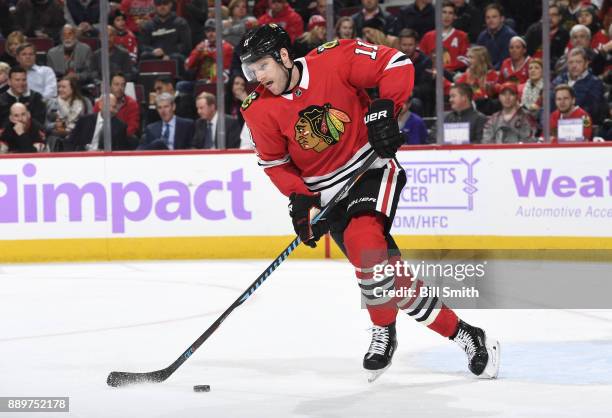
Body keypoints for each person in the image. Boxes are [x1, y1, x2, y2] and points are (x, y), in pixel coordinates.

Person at [239, 24, 499, 381]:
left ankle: (382, 329)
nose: (257, 77)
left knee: (365, 244)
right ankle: (467, 334)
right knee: (391, 279)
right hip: (327, 196)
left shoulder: (333, 59)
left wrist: (383, 108)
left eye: (261, 66)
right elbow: (275, 164)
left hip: (370, 168)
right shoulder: (257, 109)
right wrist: (300, 199)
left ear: (284, 56)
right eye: (249, 70)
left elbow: (396, 64)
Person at [552, 47, 607, 124]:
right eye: (571, 62)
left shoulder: (595, 83)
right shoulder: (558, 80)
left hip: (580, 124)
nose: (574, 65)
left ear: (586, 63)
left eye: (578, 62)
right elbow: (548, 105)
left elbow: (592, 110)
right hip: (556, 123)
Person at [66, 94, 130, 151]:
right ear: (100, 105)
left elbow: (121, 151)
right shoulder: (84, 120)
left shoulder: (120, 126)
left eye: (115, 107)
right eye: (111, 106)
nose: (113, 110)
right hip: (84, 157)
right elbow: (71, 142)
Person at [419, 1, 469, 74]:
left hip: (454, 75)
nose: (447, 16)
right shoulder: (428, 36)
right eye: (444, 12)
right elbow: (421, 59)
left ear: (455, 16)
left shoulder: (462, 36)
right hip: (431, 75)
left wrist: (445, 69)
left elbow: (465, 59)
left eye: (450, 13)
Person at [139, 0, 192, 68]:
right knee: (144, 55)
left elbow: (186, 46)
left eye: (165, 3)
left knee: (178, 57)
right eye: (159, 4)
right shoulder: (149, 25)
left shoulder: (181, 23)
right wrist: (153, 51)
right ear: (155, 6)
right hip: (154, 57)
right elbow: (143, 45)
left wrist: (167, 53)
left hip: (174, 58)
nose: (162, 6)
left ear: (170, 4)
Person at [45, 75, 91, 151]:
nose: (60, 90)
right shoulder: (52, 103)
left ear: (72, 89)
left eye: (63, 87)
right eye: (59, 87)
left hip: (79, 141)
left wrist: (72, 131)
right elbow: (45, 126)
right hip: (57, 142)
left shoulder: (85, 102)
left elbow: (90, 124)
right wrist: (55, 125)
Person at [184, 18, 234, 85]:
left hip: (218, 84)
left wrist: (210, 82)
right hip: (200, 82)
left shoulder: (227, 48)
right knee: (181, 85)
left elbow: (225, 72)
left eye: (213, 30)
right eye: (208, 31)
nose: (210, 34)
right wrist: (197, 53)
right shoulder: (201, 46)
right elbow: (188, 66)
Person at [455, 46, 499, 114]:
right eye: (468, 57)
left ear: (481, 59)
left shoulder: (492, 75)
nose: (468, 60)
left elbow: (487, 96)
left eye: (471, 57)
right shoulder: (466, 75)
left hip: (486, 110)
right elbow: (457, 91)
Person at [525, 4, 569, 70]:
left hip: (551, 70)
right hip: (530, 67)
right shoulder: (533, 30)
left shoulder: (564, 34)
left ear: (560, 17)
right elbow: (525, 52)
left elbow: (561, 58)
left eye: (554, 15)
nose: (550, 18)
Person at [476, 3, 517, 70]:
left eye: (494, 17)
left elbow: (504, 61)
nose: (490, 20)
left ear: (502, 18)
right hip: (485, 73)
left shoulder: (510, 36)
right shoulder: (482, 36)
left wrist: (491, 72)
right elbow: (478, 59)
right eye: (488, 17)